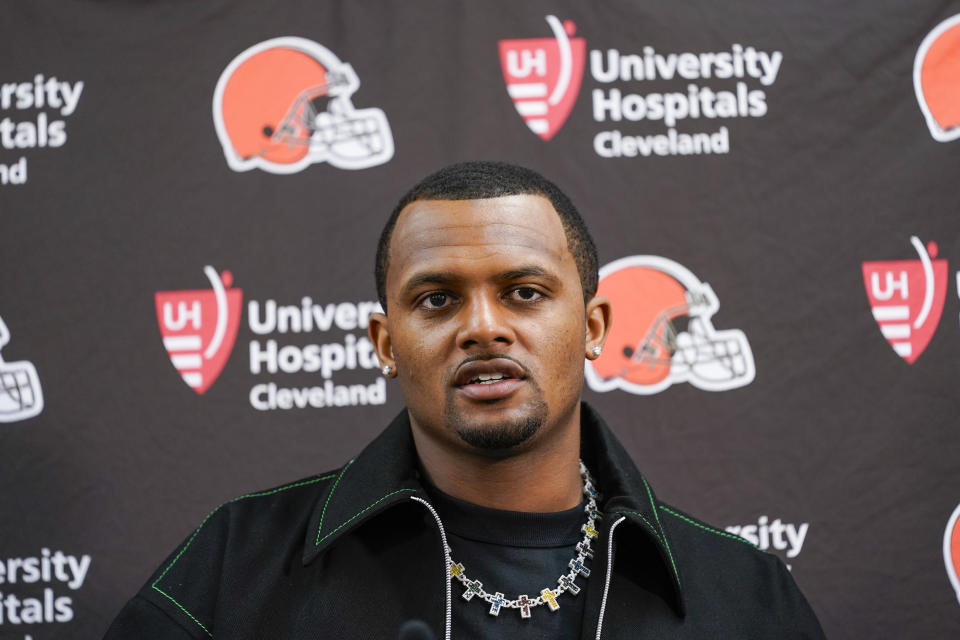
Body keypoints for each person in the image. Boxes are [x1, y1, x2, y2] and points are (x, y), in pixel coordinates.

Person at [105, 161, 825, 639]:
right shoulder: (238, 565)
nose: (483, 327)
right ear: (386, 343)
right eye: (438, 299)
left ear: (594, 327)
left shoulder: (743, 594)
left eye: (525, 292)